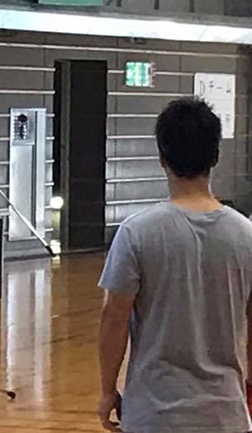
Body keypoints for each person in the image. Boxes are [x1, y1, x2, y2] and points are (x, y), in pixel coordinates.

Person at [98, 97, 252, 433]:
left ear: (162, 158)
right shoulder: (247, 235)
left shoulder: (136, 232)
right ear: (215, 156)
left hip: (154, 415)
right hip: (226, 415)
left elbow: (113, 319)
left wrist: (108, 390)